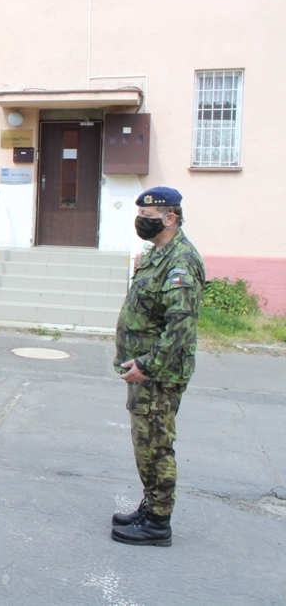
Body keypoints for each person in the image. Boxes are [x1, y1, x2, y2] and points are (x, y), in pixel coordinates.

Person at [111, 186, 204, 548]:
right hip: (145, 370)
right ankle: (150, 507)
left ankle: (158, 522)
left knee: (155, 444)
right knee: (145, 442)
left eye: (148, 218)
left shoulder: (180, 260)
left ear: (170, 218)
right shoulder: (158, 254)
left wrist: (149, 366)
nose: (141, 223)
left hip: (159, 373)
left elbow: (181, 324)